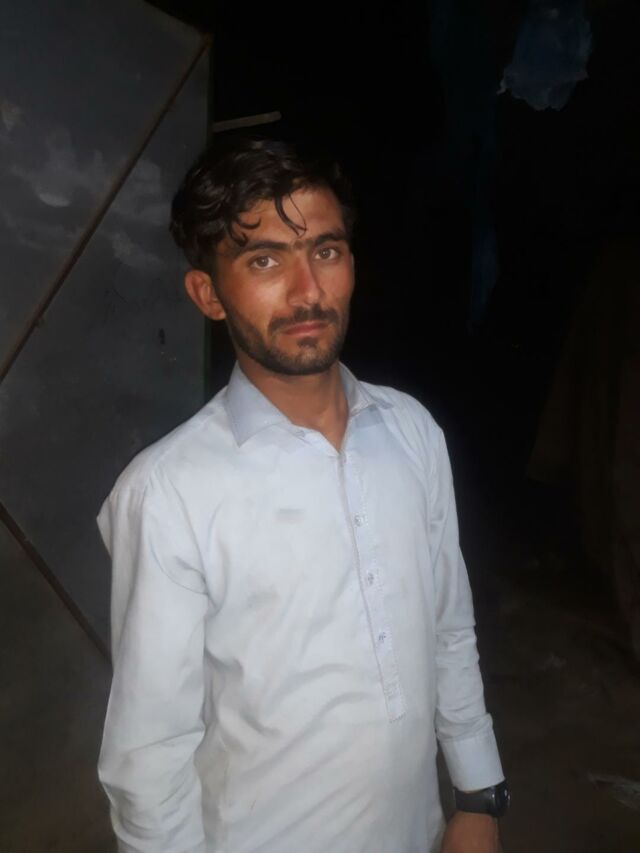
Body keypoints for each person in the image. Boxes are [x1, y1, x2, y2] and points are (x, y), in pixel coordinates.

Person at [97, 138, 509, 853]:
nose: (307, 291)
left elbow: (448, 628)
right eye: (264, 260)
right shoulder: (168, 494)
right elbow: (149, 755)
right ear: (208, 295)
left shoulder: (410, 432)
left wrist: (477, 795)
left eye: (326, 250)